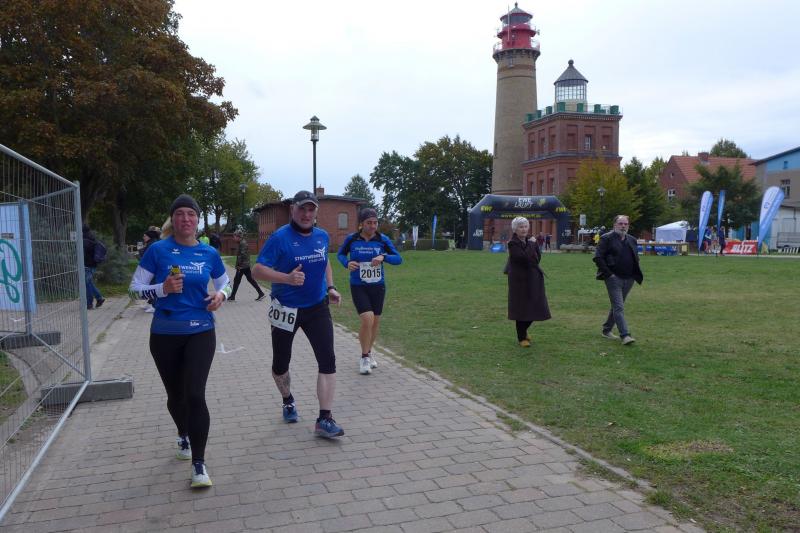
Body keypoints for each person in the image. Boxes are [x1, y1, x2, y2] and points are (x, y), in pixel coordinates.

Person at [129, 194, 230, 488]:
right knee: (176, 397)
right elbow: (133, 289)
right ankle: (183, 434)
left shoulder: (208, 253)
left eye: (191, 214)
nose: (186, 219)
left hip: (201, 330)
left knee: (195, 395)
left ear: (198, 220)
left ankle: (199, 463)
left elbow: (224, 281)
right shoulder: (157, 250)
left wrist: (221, 295)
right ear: (172, 219)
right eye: (180, 214)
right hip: (165, 333)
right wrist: (162, 289)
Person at [252, 190, 345, 438]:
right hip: (285, 309)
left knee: (328, 360)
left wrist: (331, 287)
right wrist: (287, 278)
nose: (306, 214)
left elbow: (324, 261)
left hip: (317, 307)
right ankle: (288, 400)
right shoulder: (280, 237)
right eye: (302, 208)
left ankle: (324, 419)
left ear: (316, 212)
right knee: (280, 364)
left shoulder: (322, 236)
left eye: (311, 209)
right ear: (293, 209)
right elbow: (257, 270)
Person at [337, 207, 402, 374]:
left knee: (375, 322)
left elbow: (398, 259)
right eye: (369, 223)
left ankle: (369, 352)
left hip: (378, 286)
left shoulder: (382, 239)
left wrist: (384, 257)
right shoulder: (352, 239)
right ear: (361, 224)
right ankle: (364, 357)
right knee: (367, 319)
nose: (373, 226)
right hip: (358, 285)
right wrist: (347, 263)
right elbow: (340, 255)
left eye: (375, 222)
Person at [593, 215, 643, 345]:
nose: (623, 226)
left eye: (625, 224)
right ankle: (625, 335)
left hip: (629, 279)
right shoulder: (606, 238)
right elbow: (598, 257)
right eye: (620, 223)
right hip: (613, 279)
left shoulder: (632, 239)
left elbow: (635, 257)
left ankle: (606, 330)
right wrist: (609, 274)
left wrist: (635, 273)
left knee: (617, 306)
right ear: (615, 225)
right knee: (619, 307)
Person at [506, 217, 550, 347]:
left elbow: (537, 257)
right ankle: (522, 337)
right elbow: (524, 258)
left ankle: (524, 330)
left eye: (525, 226)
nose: (524, 229)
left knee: (536, 305)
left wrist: (532, 246)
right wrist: (531, 245)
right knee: (521, 308)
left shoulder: (531, 240)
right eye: (521, 227)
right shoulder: (512, 243)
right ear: (515, 229)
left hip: (533, 278)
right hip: (519, 281)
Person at [229, 228, 266, 302]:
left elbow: (242, 255)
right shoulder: (242, 243)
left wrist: (238, 265)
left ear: (239, 236)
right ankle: (261, 293)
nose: (234, 238)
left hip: (242, 266)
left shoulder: (242, 243)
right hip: (245, 265)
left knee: (237, 280)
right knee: (249, 279)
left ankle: (232, 297)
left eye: (235, 236)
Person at [82, 224, 105, 310]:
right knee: (89, 283)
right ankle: (99, 298)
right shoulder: (92, 237)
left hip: (87, 265)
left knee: (87, 284)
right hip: (93, 265)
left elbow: (83, 254)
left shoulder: (84, 241)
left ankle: (89, 304)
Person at [139, 229, 161, 313]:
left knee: (152, 286)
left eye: (145, 236)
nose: (143, 237)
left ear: (149, 236)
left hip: (153, 269)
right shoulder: (151, 243)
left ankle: (154, 306)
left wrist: (141, 252)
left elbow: (149, 257)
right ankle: (150, 303)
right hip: (151, 269)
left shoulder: (152, 244)